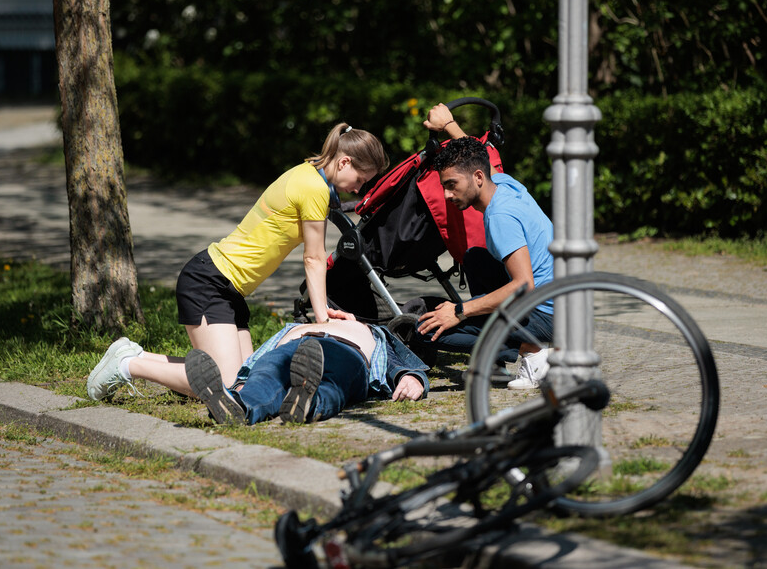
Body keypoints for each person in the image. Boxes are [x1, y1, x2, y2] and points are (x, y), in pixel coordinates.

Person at [86, 123, 389, 401]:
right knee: (227, 385)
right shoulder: (314, 188)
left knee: (247, 381)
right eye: (361, 179)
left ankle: (132, 354)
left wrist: (323, 313)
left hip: (228, 289)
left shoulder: (308, 173)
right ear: (344, 161)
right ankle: (129, 365)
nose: (359, 187)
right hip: (209, 281)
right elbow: (313, 257)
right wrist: (322, 318)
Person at [412, 104, 555, 390]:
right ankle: (502, 359)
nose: (446, 194)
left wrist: (460, 311)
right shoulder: (502, 183)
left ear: (478, 178)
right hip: (560, 300)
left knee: (428, 331)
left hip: (548, 313)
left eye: (452, 185)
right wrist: (450, 124)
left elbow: (523, 285)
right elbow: (475, 156)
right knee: (475, 258)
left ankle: (535, 355)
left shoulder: (500, 216)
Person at [185, 319, 429, 425]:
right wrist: (243, 382)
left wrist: (412, 377)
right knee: (266, 376)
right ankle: (240, 406)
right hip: (293, 347)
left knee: (334, 384)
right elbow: (260, 357)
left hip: (346, 352)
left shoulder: (370, 330)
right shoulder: (300, 325)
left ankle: (309, 403)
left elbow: (397, 360)